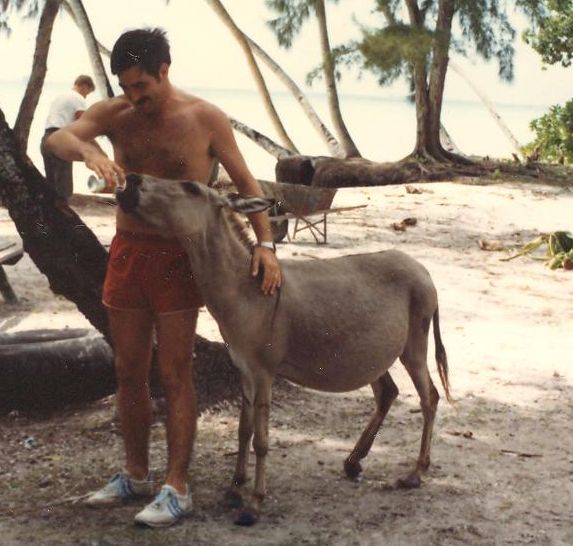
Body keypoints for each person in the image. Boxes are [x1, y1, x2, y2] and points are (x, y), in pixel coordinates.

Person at [46, 28, 282, 528]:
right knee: (128, 369)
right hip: (129, 252)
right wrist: (89, 152)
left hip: (180, 258)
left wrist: (266, 245)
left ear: (164, 71)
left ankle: (177, 486)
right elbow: (57, 138)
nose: (136, 97)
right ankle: (135, 474)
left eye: (142, 86)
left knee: (175, 373)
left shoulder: (204, 118)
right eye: (127, 86)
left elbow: (245, 181)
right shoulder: (114, 113)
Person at [40, 75, 95, 204]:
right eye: (88, 92)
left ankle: (51, 215)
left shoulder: (59, 97)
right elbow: (82, 123)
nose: (86, 96)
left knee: (51, 183)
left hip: (46, 138)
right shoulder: (78, 98)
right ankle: (62, 215)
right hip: (60, 138)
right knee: (63, 187)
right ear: (83, 85)